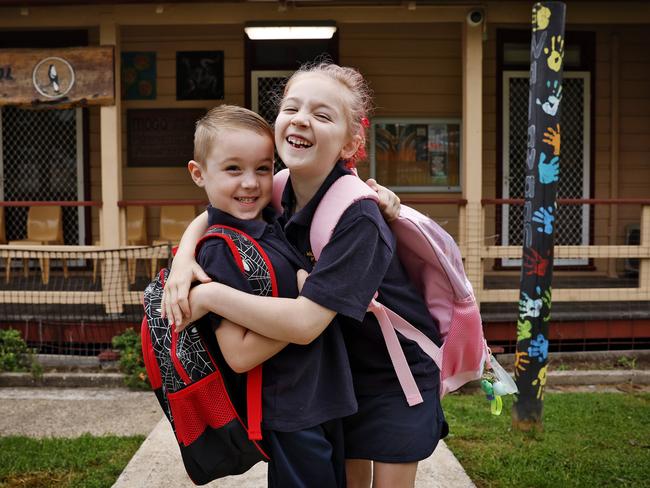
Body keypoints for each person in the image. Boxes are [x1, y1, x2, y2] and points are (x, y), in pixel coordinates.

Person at [165, 63, 447, 488]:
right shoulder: (278, 188)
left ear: (351, 142)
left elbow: (304, 323)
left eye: (322, 114)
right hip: (340, 365)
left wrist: (207, 298)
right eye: (291, 107)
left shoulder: (359, 220)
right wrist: (184, 258)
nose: (300, 119)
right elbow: (214, 212)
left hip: (394, 373)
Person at [185, 104, 353, 488]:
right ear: (199, 173)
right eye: (233, 169)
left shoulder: (270, 221)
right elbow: (239, 355)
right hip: (289, 406)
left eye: (262, 169)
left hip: (322, 393)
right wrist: (309, 312)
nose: (251, 183)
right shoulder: (220, 250)